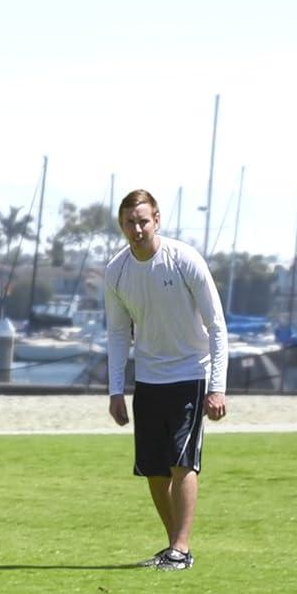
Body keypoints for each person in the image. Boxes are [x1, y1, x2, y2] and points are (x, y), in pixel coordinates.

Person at [104, 188, 229, 570]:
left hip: (190, 373)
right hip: (149, 381)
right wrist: (115, 390)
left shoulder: (184, 259)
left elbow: (217, 326)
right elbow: (117, 334)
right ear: (122, 225)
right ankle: (175, 548)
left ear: (157, 219)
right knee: (154, 470)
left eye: (143, 220)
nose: (137, 228)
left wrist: (217, 386)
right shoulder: (117, 271)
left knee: (182, 463)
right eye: (130, 222)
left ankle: (181, 546)